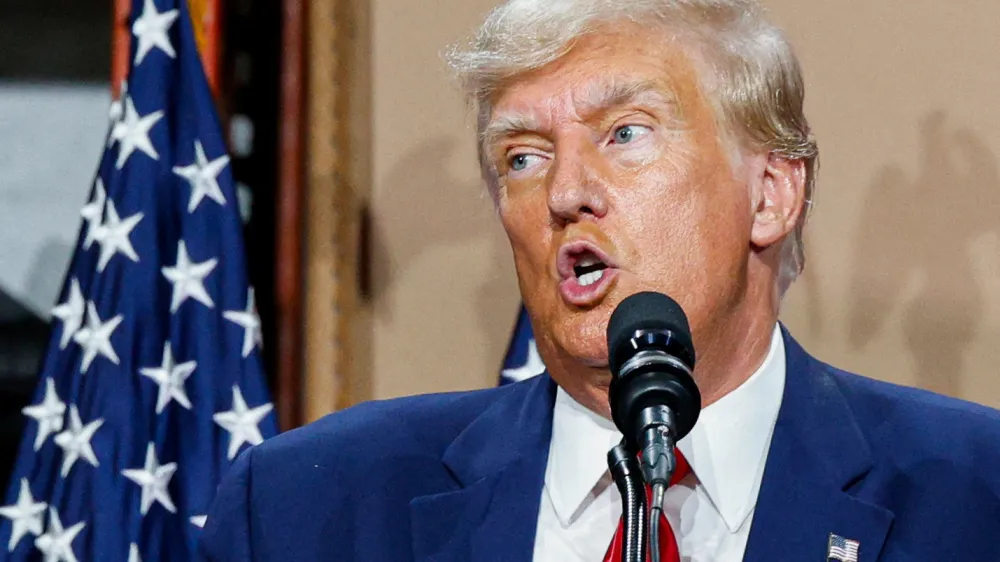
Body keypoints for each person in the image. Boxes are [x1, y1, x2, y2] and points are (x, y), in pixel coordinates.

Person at [201, 1, 1000, 560]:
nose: (564, 192)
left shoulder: (975, 499)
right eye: (523, 156)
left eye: (625, 134)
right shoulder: (308, 510)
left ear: (771, 194)